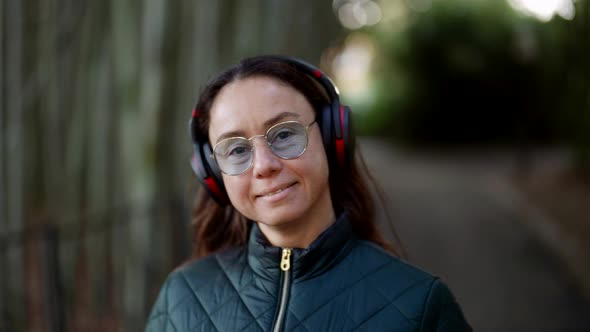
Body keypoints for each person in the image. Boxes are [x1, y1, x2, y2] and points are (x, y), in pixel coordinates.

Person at [145, 55, 472, 331]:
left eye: (285, 134)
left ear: (332, 137)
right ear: (213, 173)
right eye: (236, 150)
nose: (264, 165)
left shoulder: (420, 304)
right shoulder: (182, 295)